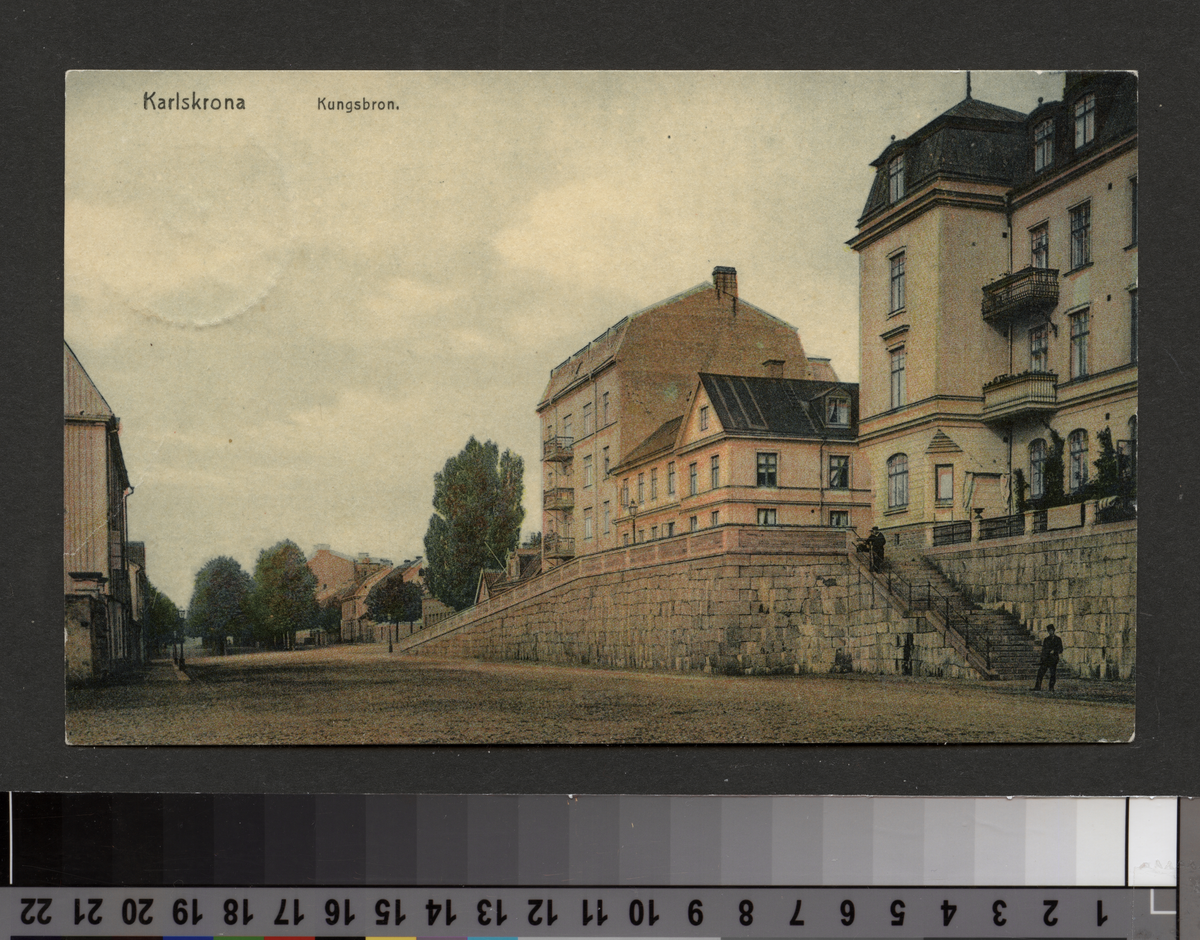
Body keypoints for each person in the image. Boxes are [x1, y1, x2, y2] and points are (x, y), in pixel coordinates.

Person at [1033, 624, 1064, 691]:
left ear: (1054, 631)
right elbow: (1044, 650)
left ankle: (1051, 687)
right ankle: (1037, 687)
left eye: (1051, 630)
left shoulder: (1058, 639)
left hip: (1053, 659)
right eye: (1049, 631)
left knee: (1053, 674)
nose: (1050, 632)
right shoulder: (1046, 639)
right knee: (1040, 673)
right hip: (1046, 659)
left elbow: (1061, 649)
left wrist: (1054, 651)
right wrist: (1042, 658)